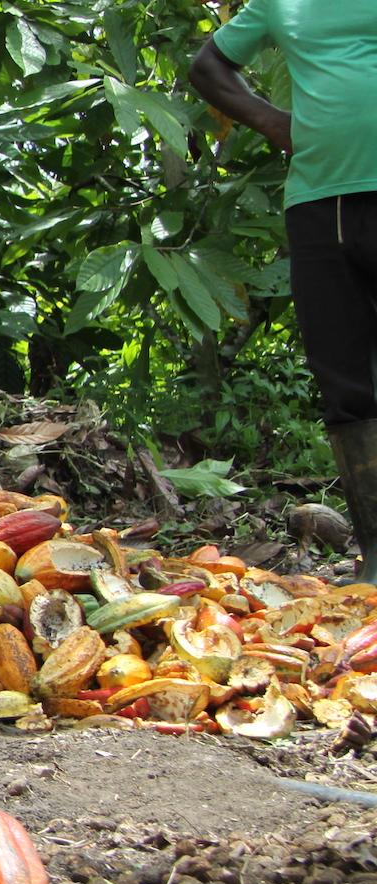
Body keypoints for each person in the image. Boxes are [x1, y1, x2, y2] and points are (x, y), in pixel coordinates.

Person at [189, 5, 377, 584]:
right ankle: (376, 555)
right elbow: (208, 66)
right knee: (344, 379)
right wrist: (275, 123)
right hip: (320, 200)